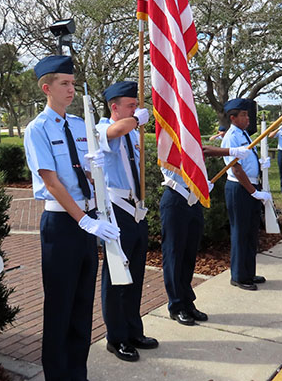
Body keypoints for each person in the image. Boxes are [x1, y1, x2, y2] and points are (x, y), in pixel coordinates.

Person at [23, 55, 120, 381]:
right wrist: (83, 219)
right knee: (60, 306)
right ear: (46, 88)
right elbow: (51, 181)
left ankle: (78, 372)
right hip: (63, 224)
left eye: (73, 83)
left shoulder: (80, 126)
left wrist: (98, 173)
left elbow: (89, 172)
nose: (71, 89)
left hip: (87, 219)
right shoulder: (37, 129)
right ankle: (57, 374)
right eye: (64, 84)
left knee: (82, 304)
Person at [95, 81, 157, 362]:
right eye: (130, 105)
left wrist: (134, 122)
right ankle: (116, 337)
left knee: (136, 276)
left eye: (137, 104)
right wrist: (135, 119)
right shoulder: (102, 129)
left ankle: (134, 330)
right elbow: (115, 131)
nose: (136, 109)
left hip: (135, 208)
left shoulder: (132, 132)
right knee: (117, 276)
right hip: (116, 209)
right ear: (114, 107)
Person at [160, 139, 251, 324]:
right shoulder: (169, 134)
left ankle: (187, 302)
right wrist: (231, 150)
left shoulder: (188, 131)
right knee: (174, 255)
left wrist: (229, 153)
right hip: (175, 198)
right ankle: (176, 305)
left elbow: (200, 151)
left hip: (193, 198)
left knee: (189, 254)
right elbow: (198, 150)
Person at [220, 98, 272, 291]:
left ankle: (249, 272)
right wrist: (254, 192)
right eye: (243, 115)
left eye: (247, 114)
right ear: (233, 118)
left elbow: (249, 161)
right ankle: (239, 276)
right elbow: (237, 169)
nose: (247, 118)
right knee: (240, 233)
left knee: (251, 233)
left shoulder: (244, 134)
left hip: (250, 187)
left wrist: (260, 165)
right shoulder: (231, 137)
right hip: (240, 189)